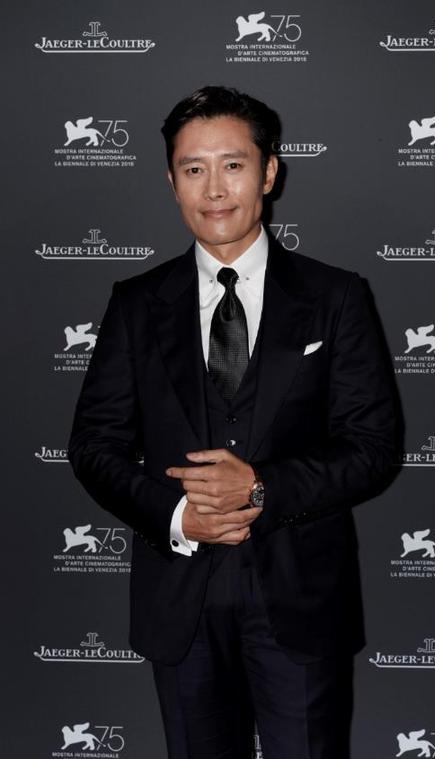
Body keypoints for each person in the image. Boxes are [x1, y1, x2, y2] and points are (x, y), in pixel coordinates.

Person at [68, 85, 398, 759]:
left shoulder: (336, 296)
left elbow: (373, 447)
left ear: (269, 172)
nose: (214, 188)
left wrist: (261, 486)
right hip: (180, 601)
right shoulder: (135, 304)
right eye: (193, 168)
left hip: (302, 596)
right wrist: (176, 516)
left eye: (233, 165)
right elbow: (94, 446)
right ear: (172, 181)